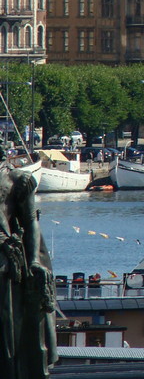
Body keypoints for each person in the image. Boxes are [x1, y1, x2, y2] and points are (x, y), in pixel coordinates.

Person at [0, 152, 57, 377]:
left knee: (7, 334)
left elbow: (30, 221)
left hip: (4, 262)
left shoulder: (16, 180)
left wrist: (33, 260)